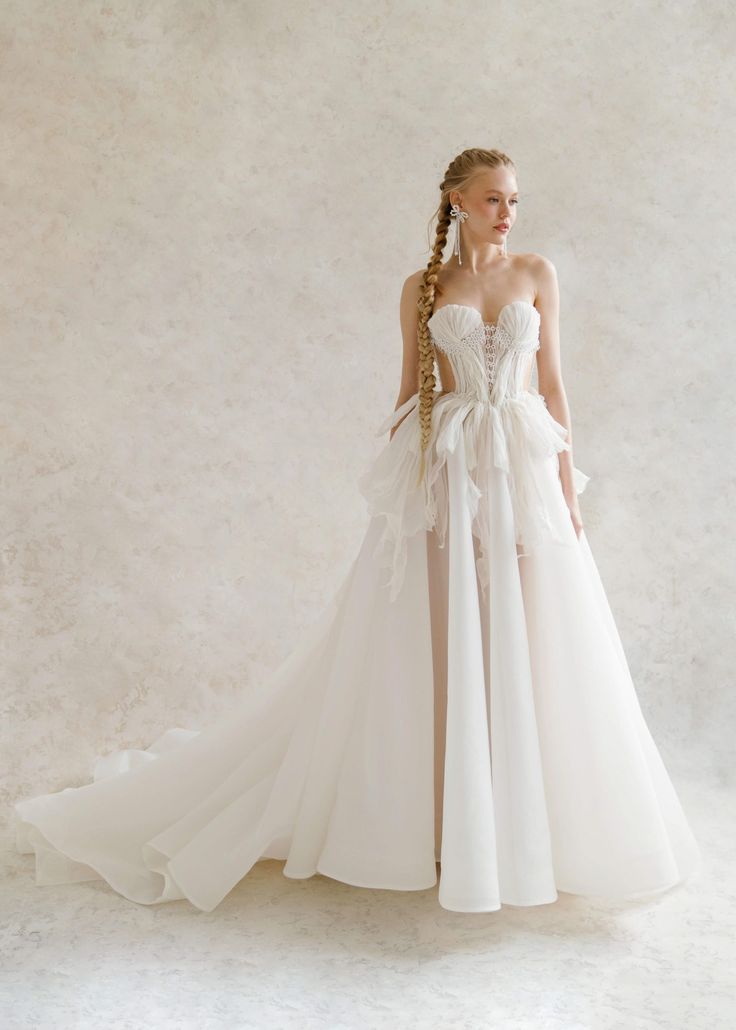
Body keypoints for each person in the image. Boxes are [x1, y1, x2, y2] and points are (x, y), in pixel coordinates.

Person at [14, 147, 701, 914]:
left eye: (514, 200)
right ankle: (441, 816)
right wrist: (399, 492)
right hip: (446, 470)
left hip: (523, 472)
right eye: (493, 199)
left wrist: (569, 491)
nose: (507, 213)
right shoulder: (424, 287)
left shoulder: (537, 273)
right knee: (438, 634)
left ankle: (526, 823)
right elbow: (411, 388)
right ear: (456, 202)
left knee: (532, 630)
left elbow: (554, 384)